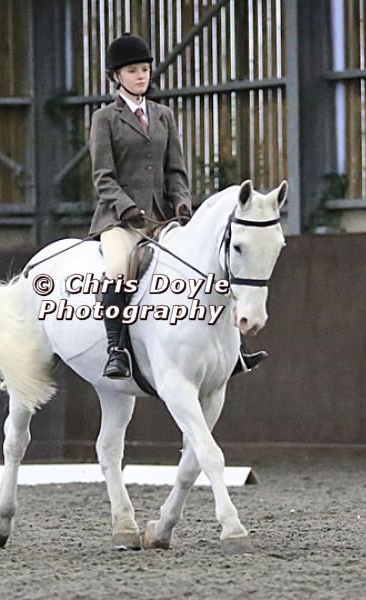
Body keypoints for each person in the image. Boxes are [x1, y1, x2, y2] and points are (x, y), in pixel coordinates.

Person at [88, 32, 266, 380]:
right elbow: (103, 177)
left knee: (209, 266)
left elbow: (175, 171)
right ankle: (116, 350)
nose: (141, 76)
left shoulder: (163, 116)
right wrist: (126, 208)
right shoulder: (105, 119)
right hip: (120, 221)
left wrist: (183, 203)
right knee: (119, 270)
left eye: (144, 70)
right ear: (116, 76)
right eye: (132, 71)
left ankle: (234, 350)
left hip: (163, 217)